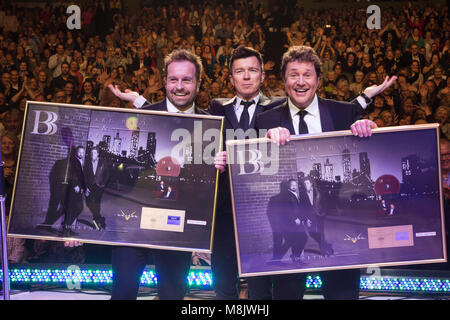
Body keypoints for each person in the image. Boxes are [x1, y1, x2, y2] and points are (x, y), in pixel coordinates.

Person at [213, 45, 396, 300]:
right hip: (291, 235)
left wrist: (366, 128)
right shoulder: (266, 122)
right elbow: (252, 175)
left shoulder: (345, 113)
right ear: (284, 81)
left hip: (334, 230)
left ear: (319, 80)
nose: (300, 82)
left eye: (307, 75)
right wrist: (252, 149)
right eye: (293, 75)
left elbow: (366, 148)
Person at [108, 48, 207, 300]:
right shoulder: (142, 117)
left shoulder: (212, 124)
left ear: (198, 83)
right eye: (173, 79)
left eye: (187, 79)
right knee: (122, 292)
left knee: (173, 294)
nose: (180, 86)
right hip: (132, 224)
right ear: (165, 82)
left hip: (178, 230)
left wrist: (203, 236)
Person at [84, 146, 111, 231]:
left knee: (96, 203)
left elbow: (107, 174)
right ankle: (100, 218)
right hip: (90, 186)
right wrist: (86, 187)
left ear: (98, 154)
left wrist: (103, 184)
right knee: (88, 202)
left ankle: (95, 221)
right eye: (92, 153)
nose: (93, 154)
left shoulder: (103, 162)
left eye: (94, 153)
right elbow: (85, 175)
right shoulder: (87, 162)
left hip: (99, 186)